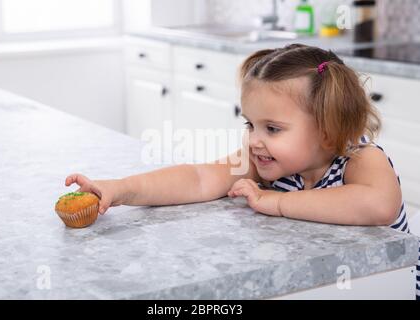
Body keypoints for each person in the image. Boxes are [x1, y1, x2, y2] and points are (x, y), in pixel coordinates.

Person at [65, 44, 419, 299]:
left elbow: (378, 205)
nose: (254, 140)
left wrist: (276, 203)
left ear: (328, 129)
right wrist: (121, 190)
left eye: (273, 129)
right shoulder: (263, 161)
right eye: (251, 124)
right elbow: (199, 178)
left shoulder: (360, 158)